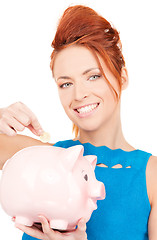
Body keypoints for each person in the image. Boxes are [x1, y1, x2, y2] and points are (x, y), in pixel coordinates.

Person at [0, 4, 157, 240]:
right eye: (66, 83)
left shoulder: (151, 176)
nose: (78, 94)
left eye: (93, 76)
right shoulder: (38, 157)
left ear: (122, 78)